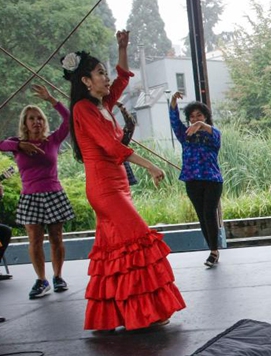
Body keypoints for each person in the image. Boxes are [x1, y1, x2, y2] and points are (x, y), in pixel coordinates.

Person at [65, 30, 185, 331]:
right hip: (105, 189)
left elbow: (122, 79)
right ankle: (147, 312)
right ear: (85, 82)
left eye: (105, 73)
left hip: (117, 185)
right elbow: (111, 148)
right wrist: (150, 165)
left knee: (115, 252)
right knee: (138, 241)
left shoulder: (102, 106)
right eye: (99, 73)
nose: (106, 78)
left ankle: (114, 316)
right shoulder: (83, 110)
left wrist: (123, 49)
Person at [0, 84, 75, 299]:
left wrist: (51, 99)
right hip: (30, 195)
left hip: (53, 192)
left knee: (56, 237)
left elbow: (69, 120)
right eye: (31, 118)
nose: (36, 122)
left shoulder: (52, 140)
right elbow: (1, 144)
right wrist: (20, 146)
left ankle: (58, 276)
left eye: (39, 118)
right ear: (24, 123)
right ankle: (41, 280)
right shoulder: (15, 143)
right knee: (34, 239)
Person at [169, 91, 223, 268]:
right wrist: (173, 103)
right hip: (192, 180)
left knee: (209, 213)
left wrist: (200, 124)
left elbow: (216, 134)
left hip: (212, 180)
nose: (195, 119)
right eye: (192, 117)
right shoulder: (185, 135)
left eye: (199, 115)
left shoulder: (212, 134)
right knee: (202, 216)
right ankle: (212, 249)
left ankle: (214, 251)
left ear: (206, 116)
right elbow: (174, 122)